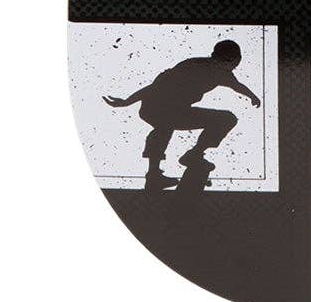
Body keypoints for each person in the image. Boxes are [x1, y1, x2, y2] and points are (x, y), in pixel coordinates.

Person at [105, 40, 262, 193]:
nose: (232, 68)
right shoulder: (193, 66)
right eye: (230, 63)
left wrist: (252, 96)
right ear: (217, 58)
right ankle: (154, 174)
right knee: (165, 125)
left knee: (226, 119)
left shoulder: (223, 74)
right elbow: (154, 88)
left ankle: (195, 154)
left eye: (234, 64)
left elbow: (237, 86)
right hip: (155, 107)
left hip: (180, 111)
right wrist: (127, 102)